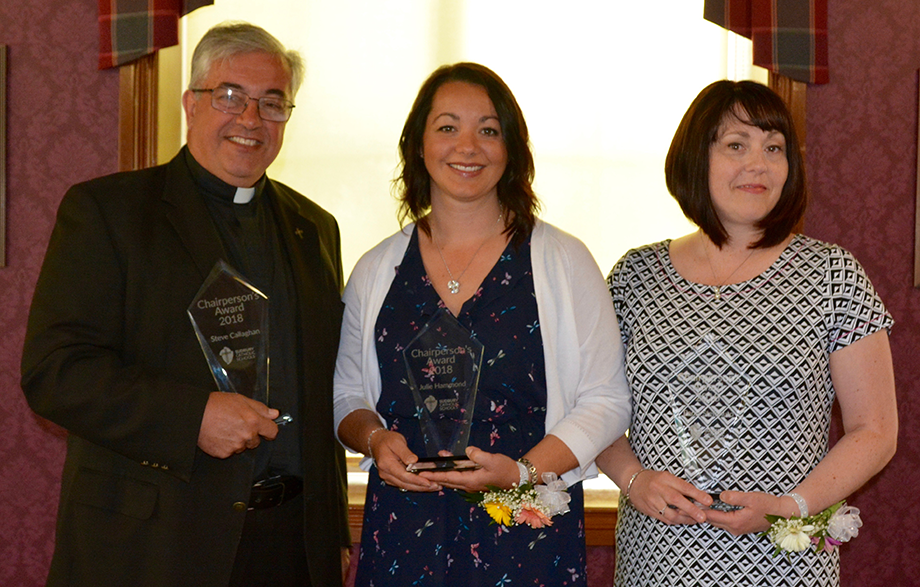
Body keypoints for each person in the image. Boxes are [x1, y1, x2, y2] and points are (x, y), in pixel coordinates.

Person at [21, 22, 350, 587]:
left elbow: (326, 385)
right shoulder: (110, 212)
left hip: (290, 546)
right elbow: (56, 373)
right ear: (190, 104)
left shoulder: (314, 228)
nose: (250, 119)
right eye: (230, 97)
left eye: (272, 103)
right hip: (153, 544)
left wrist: (332, 530)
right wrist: (190, 416)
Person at [332, 62, 632, 586]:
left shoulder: (563, 260)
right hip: (404, 529)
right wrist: (376, 440)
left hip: (524, 526)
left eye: (488, 130)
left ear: (511, 149)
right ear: (418, 144)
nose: (467, 146)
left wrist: (521, 474)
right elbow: (346, 395)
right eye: (447, 127)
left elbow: (606, 399)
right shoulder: (376, 269)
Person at [596, 80, 898, 586]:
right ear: (697, 156)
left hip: (783, 561)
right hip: (656, 558)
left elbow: (876, 430)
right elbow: (593, 406)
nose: (758, 163)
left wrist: (789, 507)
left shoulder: (832, 273)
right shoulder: (634, 275)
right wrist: (633, 478)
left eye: (773, 147)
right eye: (736, 144)